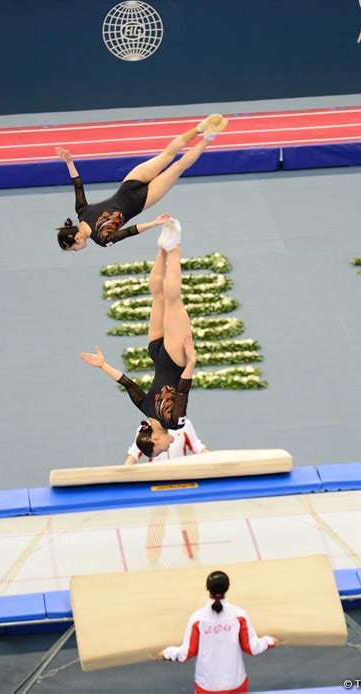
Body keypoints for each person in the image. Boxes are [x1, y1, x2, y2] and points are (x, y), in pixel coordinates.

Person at [80, 219, 196, 459]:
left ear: (155, 438)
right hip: (154, 352)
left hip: (176, 359)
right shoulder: (143, 408)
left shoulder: (175, 424)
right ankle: (162, 249)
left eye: (160, 448)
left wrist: (192, 362)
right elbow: (127, 383)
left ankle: (174, 248)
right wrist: (102, 365)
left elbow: (183, 390)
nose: (165, 448)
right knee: (158, 296)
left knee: (174, 301)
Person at [56, 113, 228, 250]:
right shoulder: (81, 211)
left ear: (77, 238)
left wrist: (154, 223)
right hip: (129, 184)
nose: (76, 250)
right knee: (167, 154)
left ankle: (207, 138)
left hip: (141, 201)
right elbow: (77, 184)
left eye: (74, 248)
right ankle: (198, 129)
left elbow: (131, 231)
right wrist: (69, 161)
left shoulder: (101, 239)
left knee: (178, 168)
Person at [156, 570, 279, 694]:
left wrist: (166, 653)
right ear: (227, 588)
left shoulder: (197, 619)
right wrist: (269, 641)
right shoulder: (239, 615)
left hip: (207, 686)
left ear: (207, 588)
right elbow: (252, 648)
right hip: (235, 684)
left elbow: (186, 653)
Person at [125, 416, 208, 464]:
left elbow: (197, 446)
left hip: (180, 472)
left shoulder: (184, 424)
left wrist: (210, 457)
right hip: (156, 473)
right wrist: (124, 471)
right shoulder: (145, 429)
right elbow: (134, 452)